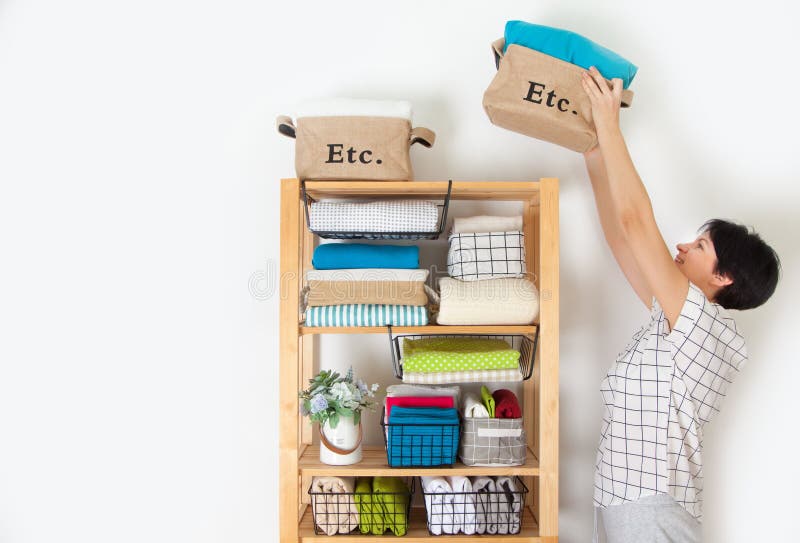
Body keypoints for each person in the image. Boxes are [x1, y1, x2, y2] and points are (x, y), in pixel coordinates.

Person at [580, 66, 780, 543]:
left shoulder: (698, 324)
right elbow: (622, 239)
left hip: (650, 507)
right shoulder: (674, 320)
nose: (683, 247)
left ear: (723, 277)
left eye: (700, 246)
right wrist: (591, 150)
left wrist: (610, 125)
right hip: (628, 502)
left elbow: (636, 223)